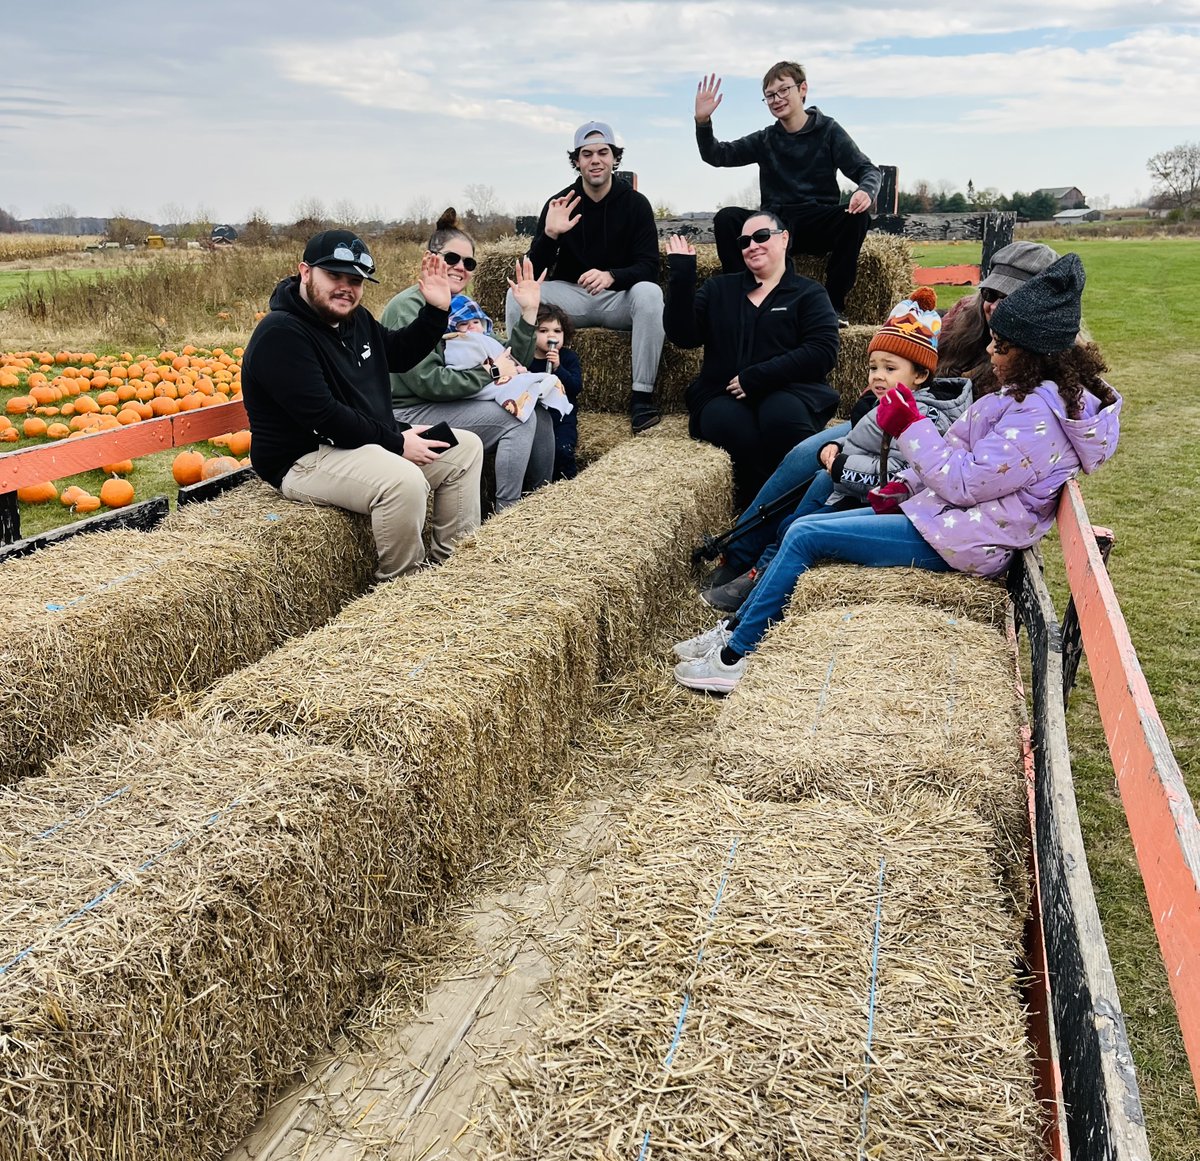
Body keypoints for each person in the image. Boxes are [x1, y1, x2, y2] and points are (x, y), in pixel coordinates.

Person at [674, 252, 1121, 693]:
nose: (989, 349)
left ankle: (734, 658)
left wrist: (909, 425)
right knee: (804, 523)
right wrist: (902, 485)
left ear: (1032, 354)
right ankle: (735, 630)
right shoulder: (1024, 397)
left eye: (1000, 346)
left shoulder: (1036, 418)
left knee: (805, 535)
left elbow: (964, 483)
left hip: (963, 541)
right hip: (944, 520)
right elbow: (959, 456)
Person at [702, 288, 971, 612]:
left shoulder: (921, 418)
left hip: (877, 502)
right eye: (873, 368)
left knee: (801, 525)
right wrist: (835, 446)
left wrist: (843, 466)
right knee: (801, 501)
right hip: (852, 485)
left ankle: (761, 583)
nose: (878, 376)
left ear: (921, 374)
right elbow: (866, 442)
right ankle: (755, 568)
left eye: (890, 368)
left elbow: (899, 474)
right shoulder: (888, 403)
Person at [240, 229, 485, 581]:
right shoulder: (281, 333)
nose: (346, 287)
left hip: (358, 442)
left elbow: (399, 355)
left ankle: (451, 574)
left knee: (465, 448)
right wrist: (397, 440)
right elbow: (325, 417)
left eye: (355, 280)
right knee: (404, 482)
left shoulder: (355, 320)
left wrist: (436, 310)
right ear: (305, 272)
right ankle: (403, 590)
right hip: (304, 457)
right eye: (334, 276)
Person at [664, 211, 840, 509]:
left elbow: (823, 351)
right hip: (721, 393)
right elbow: (684, 336)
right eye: (745, 241)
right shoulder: (719, 289)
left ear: (784, 239)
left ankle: (809, 508)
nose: (752, 246)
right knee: (734, 428)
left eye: (761, 237)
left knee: (781, 419)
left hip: (790, 390)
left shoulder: (809, 293)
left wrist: (757, 377)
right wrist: (682, 276)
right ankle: (758, 516)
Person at [381, 215, 554, 511]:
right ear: (430, 259)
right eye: (452, 258)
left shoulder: (460, 305)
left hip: (450, 402)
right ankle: (508, 512)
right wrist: (492, 372)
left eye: (469, 263)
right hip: (410, 411)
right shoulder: (408, 306)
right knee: (518, 415)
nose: (461, 267)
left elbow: (508, 359)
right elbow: (428, 382)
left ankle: (542, 502)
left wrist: (529, 313)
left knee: (537, 408)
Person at [508, 121, 664, 434]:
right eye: (587, 153)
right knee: (517, 295)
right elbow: (532, 274)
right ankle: (518, 383)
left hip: (619, 299)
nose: (595, 159)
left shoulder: (636, 204)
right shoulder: (560, 202)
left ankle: (642, 397)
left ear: (613, 158)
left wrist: (612, 276)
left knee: (650, 293)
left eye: (603, 152)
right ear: (577, 160)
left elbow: (650, 266)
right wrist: (550, 234)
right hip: (571, 298)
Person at [694, 63, 881, 324]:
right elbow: (717, 155)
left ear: (803, 89)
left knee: (856, 217)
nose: (777, 99)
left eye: (784, 90)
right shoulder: (766, 139)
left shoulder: (829, 131)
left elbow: (867, 169)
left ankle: (831, 307)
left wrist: (865, 190)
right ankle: (746, 300)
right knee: (727, 219)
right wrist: (703, 122)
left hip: (816, 221)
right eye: (770, 95)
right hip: (775, 224)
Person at [937, 241, 1059, 395]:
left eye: (1009, 298)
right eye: (990, 294)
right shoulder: (962, 318)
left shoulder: (1055, 366)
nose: (994, 306)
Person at [440, 293, 573, 425]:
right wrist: (498, 370)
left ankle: (537, 386)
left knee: (539, 413)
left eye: (476, 322)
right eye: (463, 323)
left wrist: (516, 368)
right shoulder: (458, 344)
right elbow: (468, 367)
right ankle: (536, 386)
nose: (472, 326)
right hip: (481, 386)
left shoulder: (487, 339)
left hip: (494, 377)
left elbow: (506, 355)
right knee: (521, 406)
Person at [525, 304, 583, 480]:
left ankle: (567, 485)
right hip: (535, 418)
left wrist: (559, 368)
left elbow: (575, 387)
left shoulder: (568, 358)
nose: (552, 336)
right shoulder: (526, 359)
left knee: (562, 450)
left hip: (562, 418)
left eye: (557, 331)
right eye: (543, 331)